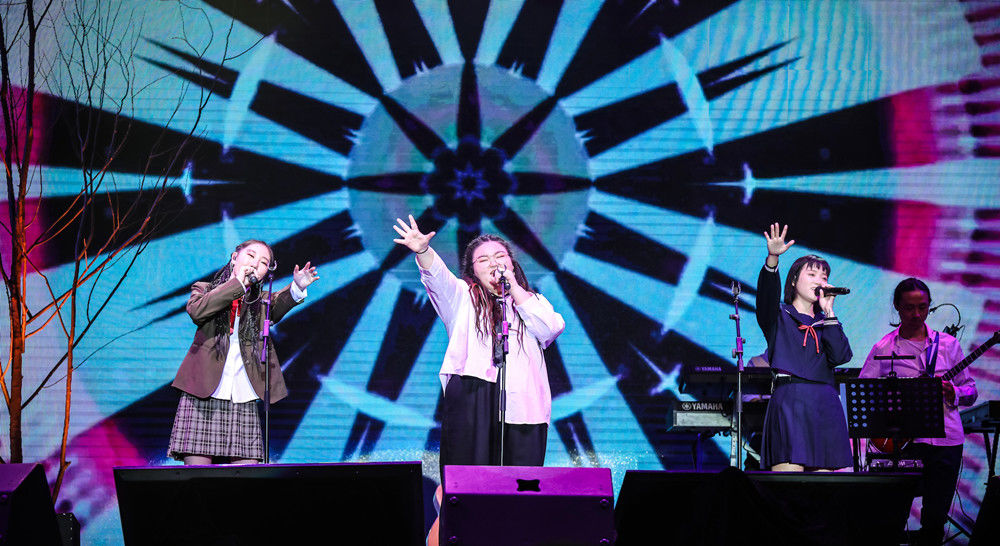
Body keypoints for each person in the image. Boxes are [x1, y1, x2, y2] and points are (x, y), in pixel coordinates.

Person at [392, 215, 564, 545]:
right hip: (472, 397)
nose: (493, 263)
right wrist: (423, 251)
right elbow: (437, 278)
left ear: (512, 264)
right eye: (483, 260)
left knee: (518, 495)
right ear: (473, 271)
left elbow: (551, 328)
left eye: (500, 256)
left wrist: (515, 290)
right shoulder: (462, 297)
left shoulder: (532, 303)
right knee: (467, 489)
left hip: (524, 407)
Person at [168, 239, 318, 464]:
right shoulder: (204, 289)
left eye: (264, 262)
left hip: (241, 393)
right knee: (198, 475)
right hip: (203, 391)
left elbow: (279, 303)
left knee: (246, 473)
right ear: (234, 257)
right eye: (251, 255)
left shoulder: (261, 301)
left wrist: (297, 287)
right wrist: (237, 283)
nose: (256, 263)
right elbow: (198, 312)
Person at [860, 278, 977, 545]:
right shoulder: (884, 348)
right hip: (904, 443)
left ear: (929, 306)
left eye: (922, 307)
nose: (916, 314)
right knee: (893, 516)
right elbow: (866, 393)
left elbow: (971, 391)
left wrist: (954, 393)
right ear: (897, 307)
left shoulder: (948, 345)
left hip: (946, 441)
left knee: (935, 520)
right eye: (909, 308)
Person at [756, 223, 853, 471]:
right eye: (812, 275)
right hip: (791, 401)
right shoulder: (779, 316)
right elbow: (767, 295)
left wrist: (829, 313)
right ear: (793, 281)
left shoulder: (826, 322)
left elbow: (841, 356)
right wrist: (773, 259)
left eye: (824, 277)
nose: (820, 281)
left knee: (824, 487)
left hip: (825, 403)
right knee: (789, 483)